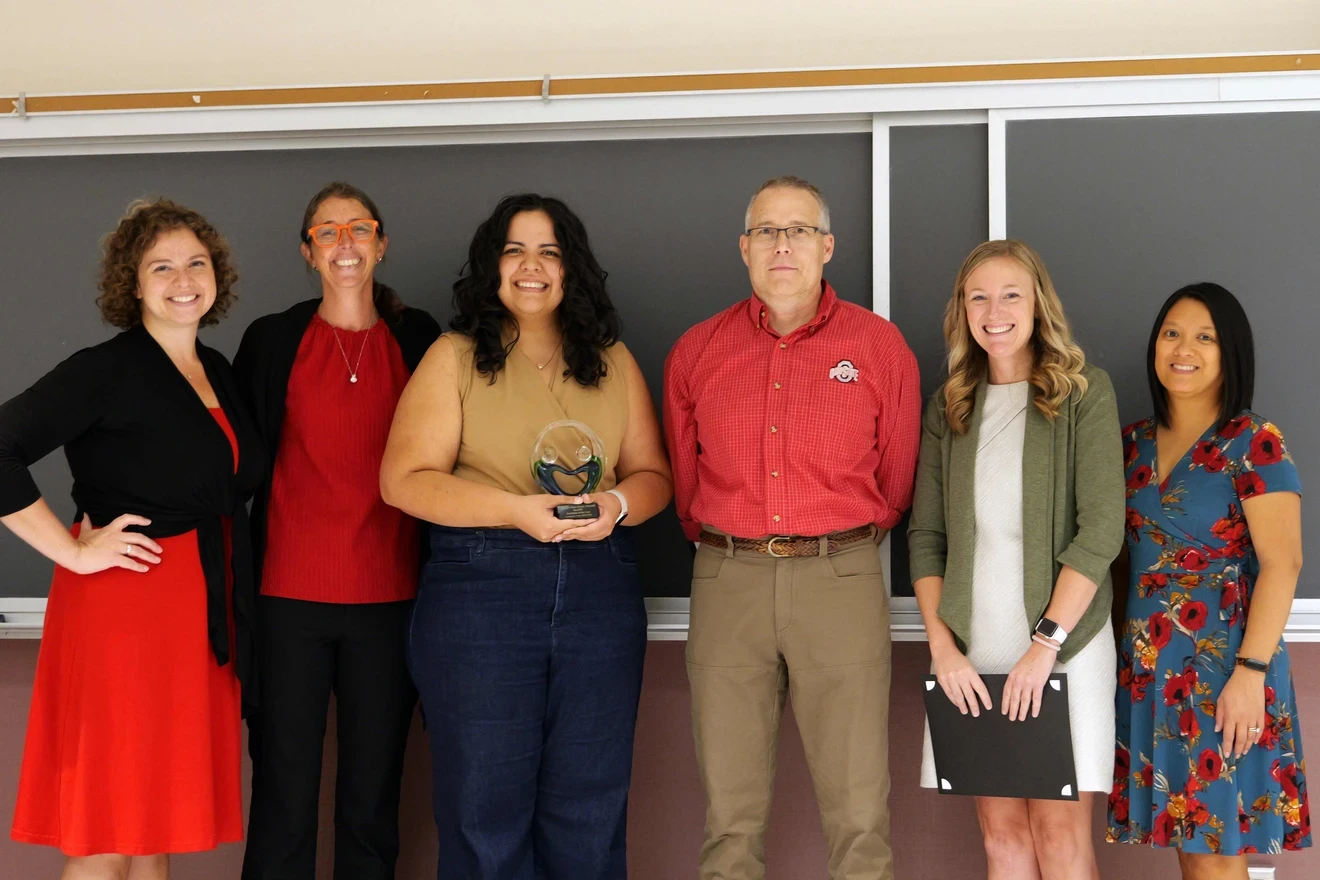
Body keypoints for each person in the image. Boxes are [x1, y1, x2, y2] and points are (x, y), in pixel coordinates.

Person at [379, 193, 672, 879]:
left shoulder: (611, 360)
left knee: (591, 808)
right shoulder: (453, 357)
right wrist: (516, 512)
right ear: (492, 266)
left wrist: (618, 504)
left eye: (550, 251)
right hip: (482, 593)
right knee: (484, 812)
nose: (531, 266)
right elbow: (404, 480)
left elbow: (654, 474)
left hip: (599, 592)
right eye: (514, 250)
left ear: (572, 269)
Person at [663, 175, 920, 880]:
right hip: (727, 577)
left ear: (827, 246)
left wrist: (835, 541)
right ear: (744, 248)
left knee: (859, 813)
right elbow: (686, 490)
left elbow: (895, 483)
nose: (783, 244)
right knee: (730, 815)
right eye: (768, 231)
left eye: (799, 230)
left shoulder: (879, 347)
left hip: (840, 577)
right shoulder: (696, 351)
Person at [0, 199, 264, 879]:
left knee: (154, 828)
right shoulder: (105, 369)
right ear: (134, 283)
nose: (184, 279)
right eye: (163, 266)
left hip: (196, 619)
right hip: (126, 616)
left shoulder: (217, 369)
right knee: (108, 833)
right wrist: (70, 549)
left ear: (217, 275)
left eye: (196, 263)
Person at [232, 182, 440, 880]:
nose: (344, 243)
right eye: (327, 231)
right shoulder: (271, 340)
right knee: (284, 792)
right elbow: (232, 461)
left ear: (381, 244)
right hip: (287, 599)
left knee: (371, 796)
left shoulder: (419, 338)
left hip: (390, 598)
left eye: (359, 229)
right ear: (307, 251)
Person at [909, 239, 1124, 879]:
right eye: (978, 296)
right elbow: (926, 539)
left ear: (1038, 306)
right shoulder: (951, 407)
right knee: (1001, 838)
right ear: (962, 311)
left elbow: (1102, 528)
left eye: (1011, 295)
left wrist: (1046, 643)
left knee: (1058, 835)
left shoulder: (1084, 394)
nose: (994, 310)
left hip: (1068, 643)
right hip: (973, 653)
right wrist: (944, 650)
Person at [1108, 283, 1310, 873]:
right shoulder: (1130, 444)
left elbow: (1284, 562)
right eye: (1171, 333)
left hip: (1228, 670)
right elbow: (1118, 559)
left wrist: (1249, 674)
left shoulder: (1254, 441)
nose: (1183, 348)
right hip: (1149, 670)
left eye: (1204, 337)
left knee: (1218, 856)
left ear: (1230, 353)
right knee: (1188, 851)